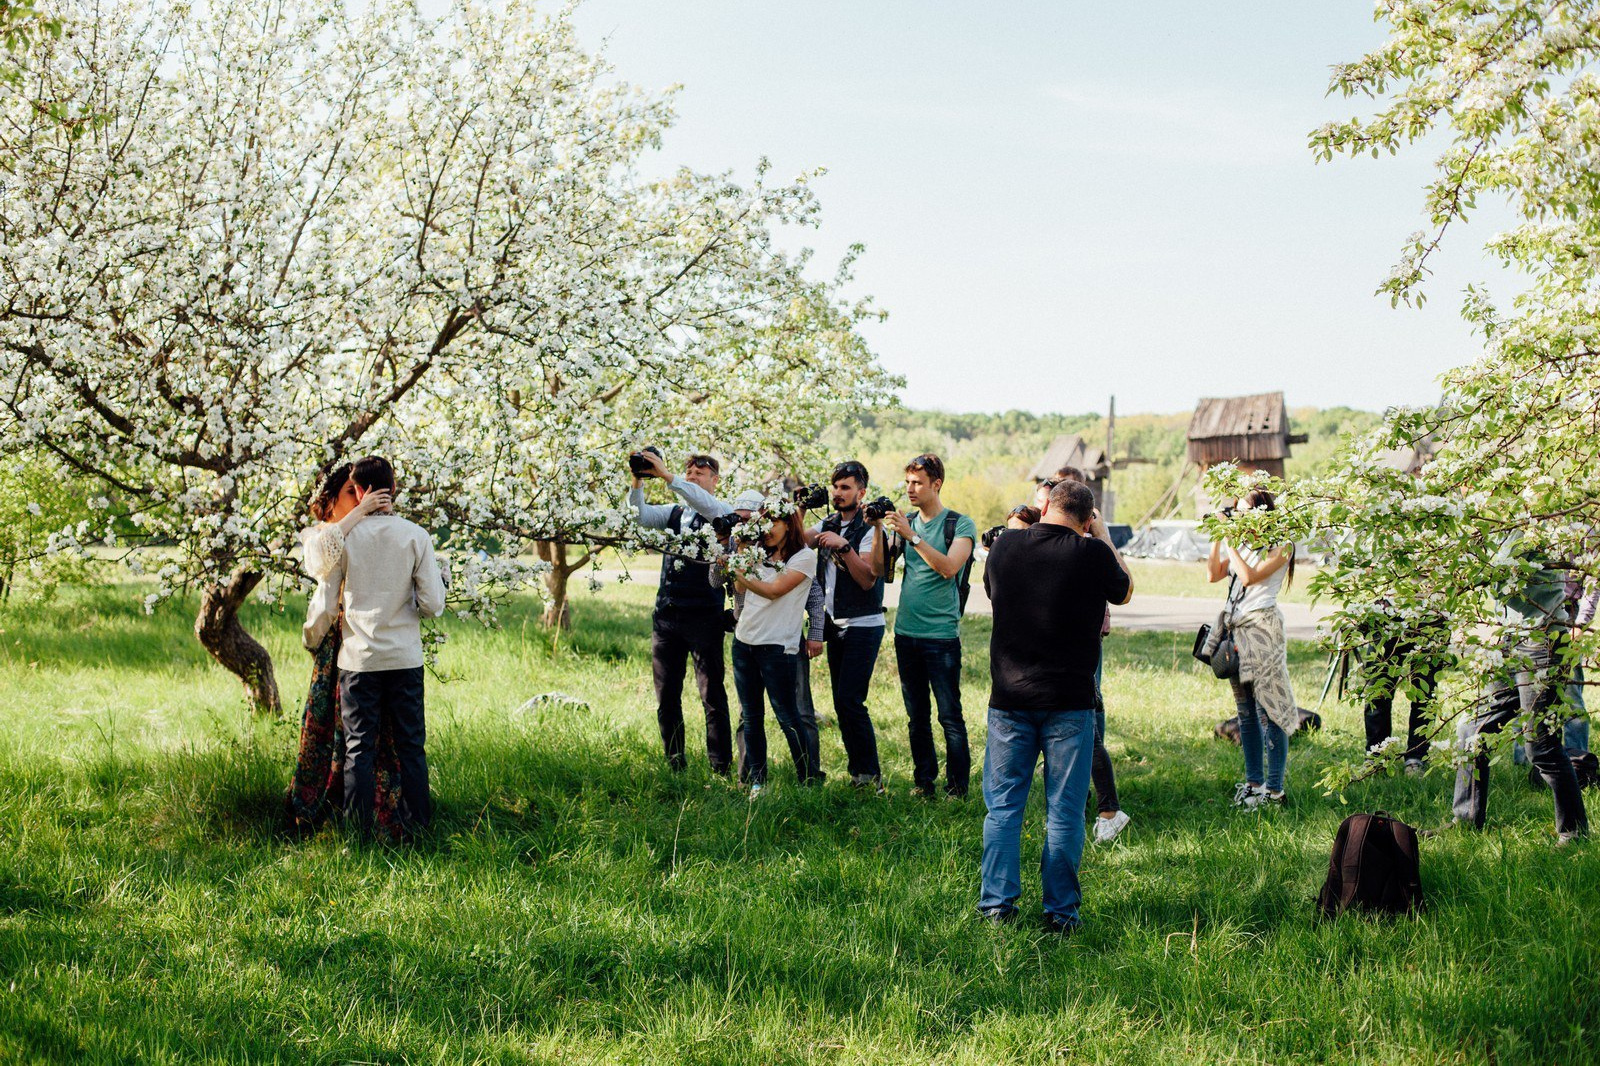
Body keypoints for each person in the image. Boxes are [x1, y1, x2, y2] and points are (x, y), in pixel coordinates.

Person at [978, 479, 1133, 931]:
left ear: (1045, 507)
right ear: (1086, 519)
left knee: (1003, 808)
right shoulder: (1092, 552)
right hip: (1069, 701)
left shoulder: (1005, 546)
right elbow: (1123, 591)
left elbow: (994, 593)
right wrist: (1100, 535)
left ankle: (996, 907)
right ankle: (1061, 914)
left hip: (1009, 697)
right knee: (1064, 812)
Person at [306, 455, 447, 836]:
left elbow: (326, 595)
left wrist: (312, 637)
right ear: (394, 489)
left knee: (358, 751)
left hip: (359, 661)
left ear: (361, 491)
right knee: (411, 747)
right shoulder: (417, 537)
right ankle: (419, 828)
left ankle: (357, 835)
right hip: (404, 658)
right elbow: (433, 605)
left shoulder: (345, 539)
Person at [288, 464, 405, 837]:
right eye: (350, 494)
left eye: (361, 493)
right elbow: (321, 578)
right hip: (336, 642)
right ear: (331, 501)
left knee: (368, 729)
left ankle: (372, 808)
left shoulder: (368, 534)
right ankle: (330, 806)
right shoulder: (323, 534)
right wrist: (359, 512)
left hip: (364, 643)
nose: (360, 500)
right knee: (332, 726)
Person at [1447, 541, 1588, 843]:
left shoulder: (1531, 513)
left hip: (1543, 640)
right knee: (1471, 730)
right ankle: (1465, 821)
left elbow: (1501, 574)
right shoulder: (1497, 521)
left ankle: (1574, 834)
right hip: (1510, 640)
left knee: (1540, 745)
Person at [629, 450, 737, 774]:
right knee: (667, 696)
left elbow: (706, 504)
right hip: (666, 616)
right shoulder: (674, 513)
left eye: (699, 475)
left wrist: (667, 476)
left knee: (712, 696)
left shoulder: (722, 513)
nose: (691, 479)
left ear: (715, 481)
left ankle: (720, 767)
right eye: (688, 474)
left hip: (704, 617)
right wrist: (638, 479)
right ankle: (675, 764)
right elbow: (639, 517)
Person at [1041, 466, 1130, 843]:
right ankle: (1075, 805)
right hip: (1044, 654)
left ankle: (1106, 807)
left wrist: (1104, 538)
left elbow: (1123, 590)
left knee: (1087, 730)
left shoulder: (1090, 549)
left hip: (1076, 655)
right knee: (1072, 731)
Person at [887, 453, 977, 797]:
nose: (910, 489)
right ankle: (923, 783)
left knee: (950, 716)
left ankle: (957, 789)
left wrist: (911, 537)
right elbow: (884, 572)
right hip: (905, 632)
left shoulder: (959, 524)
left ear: (936, 484)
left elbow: (950, 567)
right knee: (916, 717)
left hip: (940, 636)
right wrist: (880, 534)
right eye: (907, 482)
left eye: (917, 483)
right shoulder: (906, 521)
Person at [1206, 488, 1300, 809]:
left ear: (1263, 512)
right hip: (1237, 629)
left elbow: (1247, 577)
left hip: (1263, 630)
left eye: (1244, 512)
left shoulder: (1282, 546)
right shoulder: (1241, 543)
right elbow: (1213, 574)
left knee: (1270, 711)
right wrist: (1218, 536)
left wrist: (1231, 538)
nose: (1239, 518)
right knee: (1245, 714)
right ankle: (1253, 783)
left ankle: (1274, 791)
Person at [727, 499, 821, 794]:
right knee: (751, 717)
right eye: (763, 523)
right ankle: (758, 782)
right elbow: (740, 589)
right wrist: (741, 553)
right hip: (744, 642)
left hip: (777, 648)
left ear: (789, 524)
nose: (766, 530)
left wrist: (735, 568)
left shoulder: (803, 558)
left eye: (774, 523)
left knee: (787, 716)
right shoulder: (758, 552)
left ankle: (807, 779)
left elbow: (772, 591)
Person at [810, 460, 891, 791]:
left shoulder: (870, 528)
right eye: (835, 487)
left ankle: (869, 776)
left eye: (845, 487)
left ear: (862, 491)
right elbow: (796, 542)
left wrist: (843, 546)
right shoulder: (828, 522)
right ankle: (858, 772)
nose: (838, 493)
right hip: (834, 622)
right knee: (841, 702)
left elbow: (868, 580)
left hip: (864, 623)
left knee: (850, 700)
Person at [1360, 613, 1449, 775]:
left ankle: (1416, 758)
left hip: (1431, 615)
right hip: (1387, 613)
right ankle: (1376, 758)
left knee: (1425, 694)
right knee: (1378, 691)